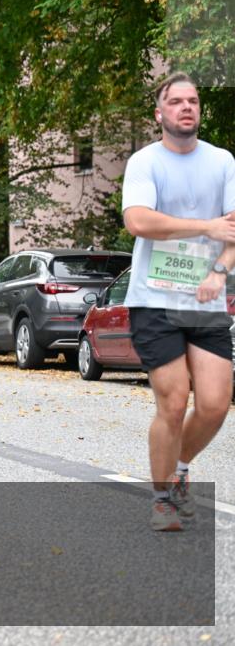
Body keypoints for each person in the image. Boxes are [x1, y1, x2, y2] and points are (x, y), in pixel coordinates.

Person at [121, 72, 235, 531]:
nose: (187, 108)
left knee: (214, 404)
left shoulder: (224, 161)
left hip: (207, 298)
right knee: (173, 401)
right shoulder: (145, 162)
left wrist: (219, 271)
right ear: (160, 112)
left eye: (193, 101)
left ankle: (180, 466)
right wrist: (205, 228)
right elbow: (138, 221)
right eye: (176, 102)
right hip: (154, 299)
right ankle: (163, 497)